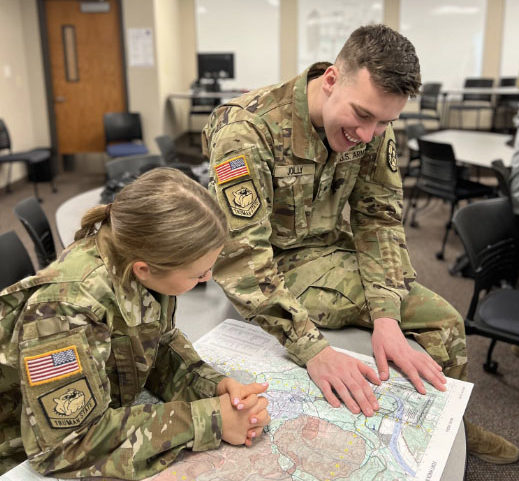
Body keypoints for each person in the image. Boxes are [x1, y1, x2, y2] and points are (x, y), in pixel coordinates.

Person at [202, 24, 518, 464]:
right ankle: (442, 432)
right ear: (330, 80)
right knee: (441, 325)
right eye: (363, 116)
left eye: (385, 121)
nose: (370, 134)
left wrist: (385, 313)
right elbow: (242, 260)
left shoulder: (371, 121)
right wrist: (311, 350)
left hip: (334, 249)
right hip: (275, 271)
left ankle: (448, 426)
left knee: (444, 321)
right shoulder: (248, 132)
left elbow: (379, 218)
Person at [0, 168, 270, 479]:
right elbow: (66, 448)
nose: (207, 279)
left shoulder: (142, 260)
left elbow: (158, 346)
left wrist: (212, 387)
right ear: (144, 269)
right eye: (198, 274)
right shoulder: (64, 311)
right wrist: (209, 420)